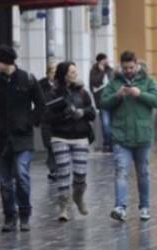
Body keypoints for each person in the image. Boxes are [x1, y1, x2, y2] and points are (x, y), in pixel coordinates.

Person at [0, 45, 45, 232]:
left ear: (7, 62)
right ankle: (9, 215)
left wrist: (29, 121)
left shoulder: (27, 79)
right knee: (4, 181)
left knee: (21, 174)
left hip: (22, 137)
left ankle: (25, 213)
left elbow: (41, 105)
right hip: (2, 139)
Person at [101, 51, 157, 222]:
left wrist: (140, 94)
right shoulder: (114, 83)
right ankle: (120, 207)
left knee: (143, 173)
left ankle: (144, 207)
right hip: (121, 135)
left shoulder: (147, 81)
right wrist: (117, 96)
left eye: (131, 67)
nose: (128, 70)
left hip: (142, 135)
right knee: (121, 171)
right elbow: (103, 103)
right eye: (125, 67)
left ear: (136, 65)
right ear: (121, 66)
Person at [44, 62, 95, 222]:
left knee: (80, 173)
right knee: (63, 172)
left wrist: (82, 112)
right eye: (71, 71)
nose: (75, 73)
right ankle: (64, 206)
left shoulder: (82, 93)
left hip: (80, 136)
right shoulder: (53, 93)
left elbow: (92, 112)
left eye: (75, 70)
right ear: (63, 74)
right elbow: (47, 117)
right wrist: (64, 114)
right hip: (60, 136)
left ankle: (78, 197)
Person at [89, 53, 115, 152]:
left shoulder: (111, 70)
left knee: (112, 123)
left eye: (106, 59)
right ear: (99, 61)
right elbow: (94, 84)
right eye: (104, 59)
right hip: (102, 101)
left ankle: (113, 144)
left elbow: (114, 83)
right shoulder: (94, 71)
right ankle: (107, 144)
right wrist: (101, 71)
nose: (106, 61)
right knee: (106, 124)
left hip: (113, 100)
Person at [39, 62, 58, 180]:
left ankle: (55, 168)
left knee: (56, 145)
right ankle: (53, 168)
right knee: (50, 146)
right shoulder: (41, 84)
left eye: (56, 73)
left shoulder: (60, 84)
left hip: (57, 119)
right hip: (46, 119)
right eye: (52, 73)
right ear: (48, 73)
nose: (54, 75)